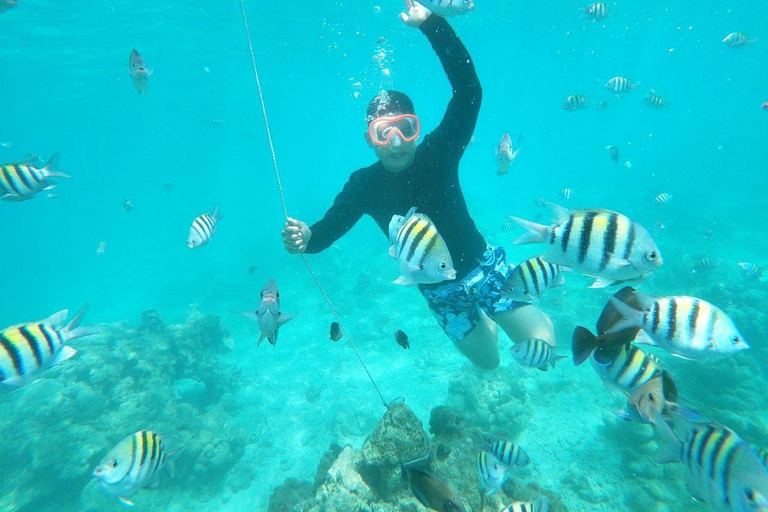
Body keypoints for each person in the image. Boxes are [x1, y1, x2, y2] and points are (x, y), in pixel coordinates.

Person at [281, 0, 555, 369]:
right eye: (383, 133)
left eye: (405, 128)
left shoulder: (439, 152)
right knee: (488, 363)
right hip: (438, 288)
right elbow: (329, 230)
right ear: (369, 140)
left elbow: (469, 91)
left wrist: (432, 23)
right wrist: (307, 239)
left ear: (416, 130)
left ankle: (507, 314)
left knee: (541, 345)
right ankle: (485, 323)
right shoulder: (363, 184)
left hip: (483, 266)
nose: (395, 142)